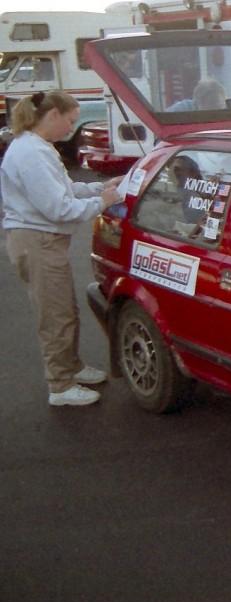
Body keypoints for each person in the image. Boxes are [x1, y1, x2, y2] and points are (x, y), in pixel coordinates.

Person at [1, 91, 122, 406]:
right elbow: (59, 208)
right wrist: (103, 202)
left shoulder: (38, 148)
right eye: (69, 121)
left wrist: (101, 186)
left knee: (64, 308)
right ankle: (60, 386)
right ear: (52, 114)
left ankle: (71, 367)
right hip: (37, 241)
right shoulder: (31, 153)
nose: (71, 129)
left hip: (41, 241)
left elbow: (65, 188)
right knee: (55, 315)